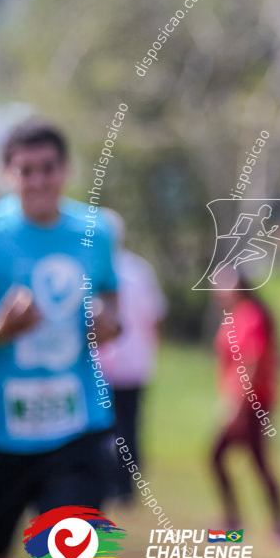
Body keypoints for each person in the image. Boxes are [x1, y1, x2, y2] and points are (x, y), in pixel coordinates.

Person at [0, 119, 120, 558]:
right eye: (26, 171)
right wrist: (3, 330)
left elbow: (111, 296)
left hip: (77, 429)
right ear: (9, 174)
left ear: (65, 170)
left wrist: (107, 322)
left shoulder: (97, 230)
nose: (38, 181)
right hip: (2, 435)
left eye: (48, 168)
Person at [210, 267, 280, 543]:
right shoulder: (235, 316)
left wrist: (239, 405)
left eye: (224, 285)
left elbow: (252, 362)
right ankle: (263, 524)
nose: (218, 291)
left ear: (239, 286)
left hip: (253, 404)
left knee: (225, 457)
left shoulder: (252, 315)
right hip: (241, 402)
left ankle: (269, 526)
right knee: (244, 460)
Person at [100, 209, 168, 503]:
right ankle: (126, 485)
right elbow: (153, 318)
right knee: (130, 425)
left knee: (106, 427)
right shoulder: (139, 270)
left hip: (104, 364)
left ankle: (111, 481)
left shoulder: (95, 270)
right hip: (134, 363)